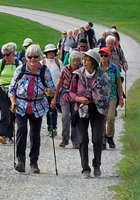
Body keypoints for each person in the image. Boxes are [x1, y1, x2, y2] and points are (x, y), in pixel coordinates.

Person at [8, 44, 55, 174]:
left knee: (35, 135)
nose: (32, 59)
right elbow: (12, 89)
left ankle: (34, 162)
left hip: (37, 106)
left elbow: (52, 89)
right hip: (21, 105)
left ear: (39, 57)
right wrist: (13, 103)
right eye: (30, 57)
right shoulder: (20, 70)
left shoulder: (44, 70)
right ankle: (21, 160)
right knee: (21, 130)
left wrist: (50, 92)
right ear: (26, 57)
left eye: (35, 57)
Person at [70, 49, 113, 178]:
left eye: (87, 60)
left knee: (97, 139)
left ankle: (97, 164)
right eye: (83, 60)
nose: (83, 62)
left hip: (97, 110)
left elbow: (106, 94)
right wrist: (78, 99)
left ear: (94, 62)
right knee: (83, 140)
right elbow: (71, 92)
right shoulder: (77, 75)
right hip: (82, 109)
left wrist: (101, 106)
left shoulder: (103, 77)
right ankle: (85, 168)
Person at [53, 50, 82, 148]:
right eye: (73, 60)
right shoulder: (65, 69)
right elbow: (59, 83)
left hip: (76, 97)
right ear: (70, 60)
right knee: (65, 116)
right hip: (64, 95)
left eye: (77, 61)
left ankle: (75, 140)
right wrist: (55, 97)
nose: (75, 63)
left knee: (75, 117)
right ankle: (65, 138)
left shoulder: (81, 71)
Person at [0, 42, 19, 145]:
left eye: (7, 54)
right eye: (4, 55)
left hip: (14, 92)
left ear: (13, 53)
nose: (5, 57)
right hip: (2, 90)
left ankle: (10, 135)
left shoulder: (18, 63)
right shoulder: (0, 63)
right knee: (4, 113)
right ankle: (2, 134)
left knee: (12, 113)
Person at [98, 47, 125, 150]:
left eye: (105, 55)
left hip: (112, 95)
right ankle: (103, 139)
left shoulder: (114, 68)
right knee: (102, 119)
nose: (103, 57)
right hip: (100, 97)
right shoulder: (97, 68)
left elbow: (119, 82)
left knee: (110, 118)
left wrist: (121, 97)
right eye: (101, 55)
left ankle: (110, 136)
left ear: (109, 57)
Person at [42, 44, 62, 138]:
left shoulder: (59, 63)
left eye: (52, 52)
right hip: (45, 90)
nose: (51, 53)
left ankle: (53, 127)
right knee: (47, 110)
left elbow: (62, 76)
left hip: (56, 90)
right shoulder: (43, 63)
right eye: (49, 52)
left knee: (53, 109)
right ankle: (49, 127)